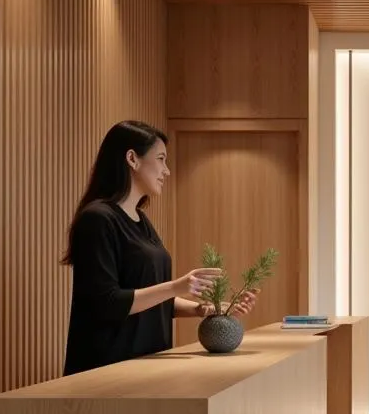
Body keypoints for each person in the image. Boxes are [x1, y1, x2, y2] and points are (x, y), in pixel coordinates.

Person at [62, 120, 256, 376]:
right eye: (161, 159)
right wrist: (177, 286)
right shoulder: (98, 219)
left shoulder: (141, 220)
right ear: (132, 159)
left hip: (147, 365)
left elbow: (147, 297)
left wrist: (203, 309)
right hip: (107, 370)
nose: (166, 171)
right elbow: (107, 302)